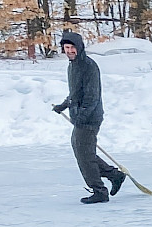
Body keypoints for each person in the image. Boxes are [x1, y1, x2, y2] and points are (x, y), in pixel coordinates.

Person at [51, 31, 126, 204]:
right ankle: (114, 175)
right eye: (66, 47)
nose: (69, 51)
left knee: (84, 155)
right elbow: (75, 93)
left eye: (72, 47)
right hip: (80, 116)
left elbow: (92, 96)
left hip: (89, 118)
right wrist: (64, 105)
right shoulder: (73, 65)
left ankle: (99, 191)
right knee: (83, 152)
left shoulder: (89, 66)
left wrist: (81, 116)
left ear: (79, 47)